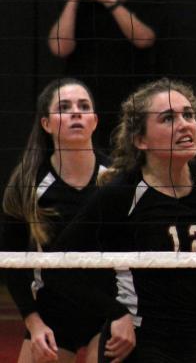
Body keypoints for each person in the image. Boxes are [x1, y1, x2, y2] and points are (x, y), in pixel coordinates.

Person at [47, 78, 196, 362]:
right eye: (168, 118)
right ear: (140, 140)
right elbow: (58, 267)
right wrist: (115, 314)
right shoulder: (120, 195)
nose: (185, 124)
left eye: (188, 115)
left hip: (194, 342)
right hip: (136, 345)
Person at [2, 78, 107, 363]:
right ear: (46, 124)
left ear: (94, 121)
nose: (75, 112)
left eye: (83, 106)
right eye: (64, 107)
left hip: (111, 311)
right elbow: (12, 266)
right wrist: (34, 325)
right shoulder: (28, 185)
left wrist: (128, 317)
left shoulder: (115, 180)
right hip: (53, 313)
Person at [48, 0, 158, 137]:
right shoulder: (80, 5)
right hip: (84, 104)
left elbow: (144, 39)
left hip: (129, 104)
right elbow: (59, 48)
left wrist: (110, 1)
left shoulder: (145, 2)